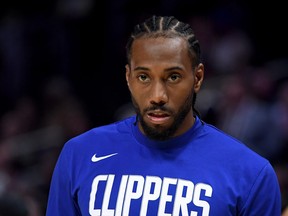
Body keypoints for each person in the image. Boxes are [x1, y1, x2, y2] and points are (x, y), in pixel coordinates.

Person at [46, 15, 282, 215]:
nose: (157, 96)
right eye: (144, 77)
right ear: (128, 78)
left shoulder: (250, 173)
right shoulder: (79, 154)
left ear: (198, 78)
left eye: (173, 77)